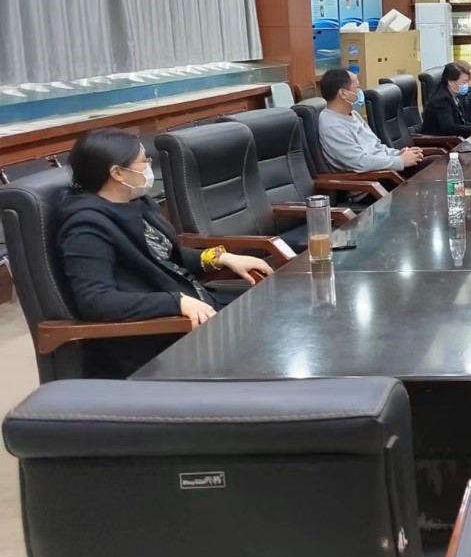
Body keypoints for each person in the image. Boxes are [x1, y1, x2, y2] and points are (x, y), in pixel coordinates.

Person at [57, 129, 272, 376]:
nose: (149, 168)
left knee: (278, 306)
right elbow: (96, 301)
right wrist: (174, 302)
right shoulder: (85, 228)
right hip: (160, 338)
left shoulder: (136, 202)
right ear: (117, 173)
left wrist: (222, 257)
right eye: (143, 162)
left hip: (195, 307)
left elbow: (164, 256)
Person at [318, 68, 435, 174]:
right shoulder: (332, 126)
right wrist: (400, 161)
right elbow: (360, 162)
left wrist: (397, 153)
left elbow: (376, 146)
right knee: (436, 165)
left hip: (386, 167)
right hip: (375, 178)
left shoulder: (353, 114)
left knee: (437, 160)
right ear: (343, 94)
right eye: (357, 88)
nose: (360, 92)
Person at [421, 63, 471, 138]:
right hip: (438, 141)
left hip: (453, 139)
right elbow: (448, 128)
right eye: (464, 82)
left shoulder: (457, 94)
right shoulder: (441, 99)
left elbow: (462, 120)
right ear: (451, 82)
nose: (466, 85)